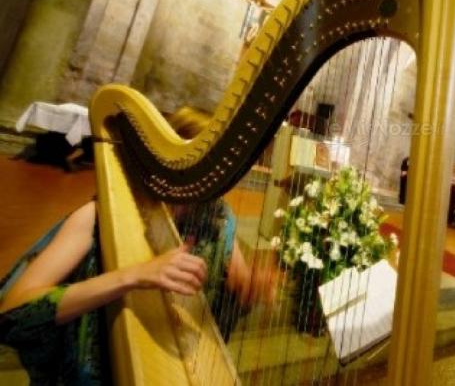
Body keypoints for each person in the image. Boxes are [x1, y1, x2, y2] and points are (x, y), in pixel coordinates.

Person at [0, 107, 276, 384]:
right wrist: (134, 275)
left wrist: (247, 288)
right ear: (165, 161)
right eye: (208, 169)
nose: (215, 185)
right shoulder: (99, 216)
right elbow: (13, 312)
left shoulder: (218, 218)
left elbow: (237, 280)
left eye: (223, 173)